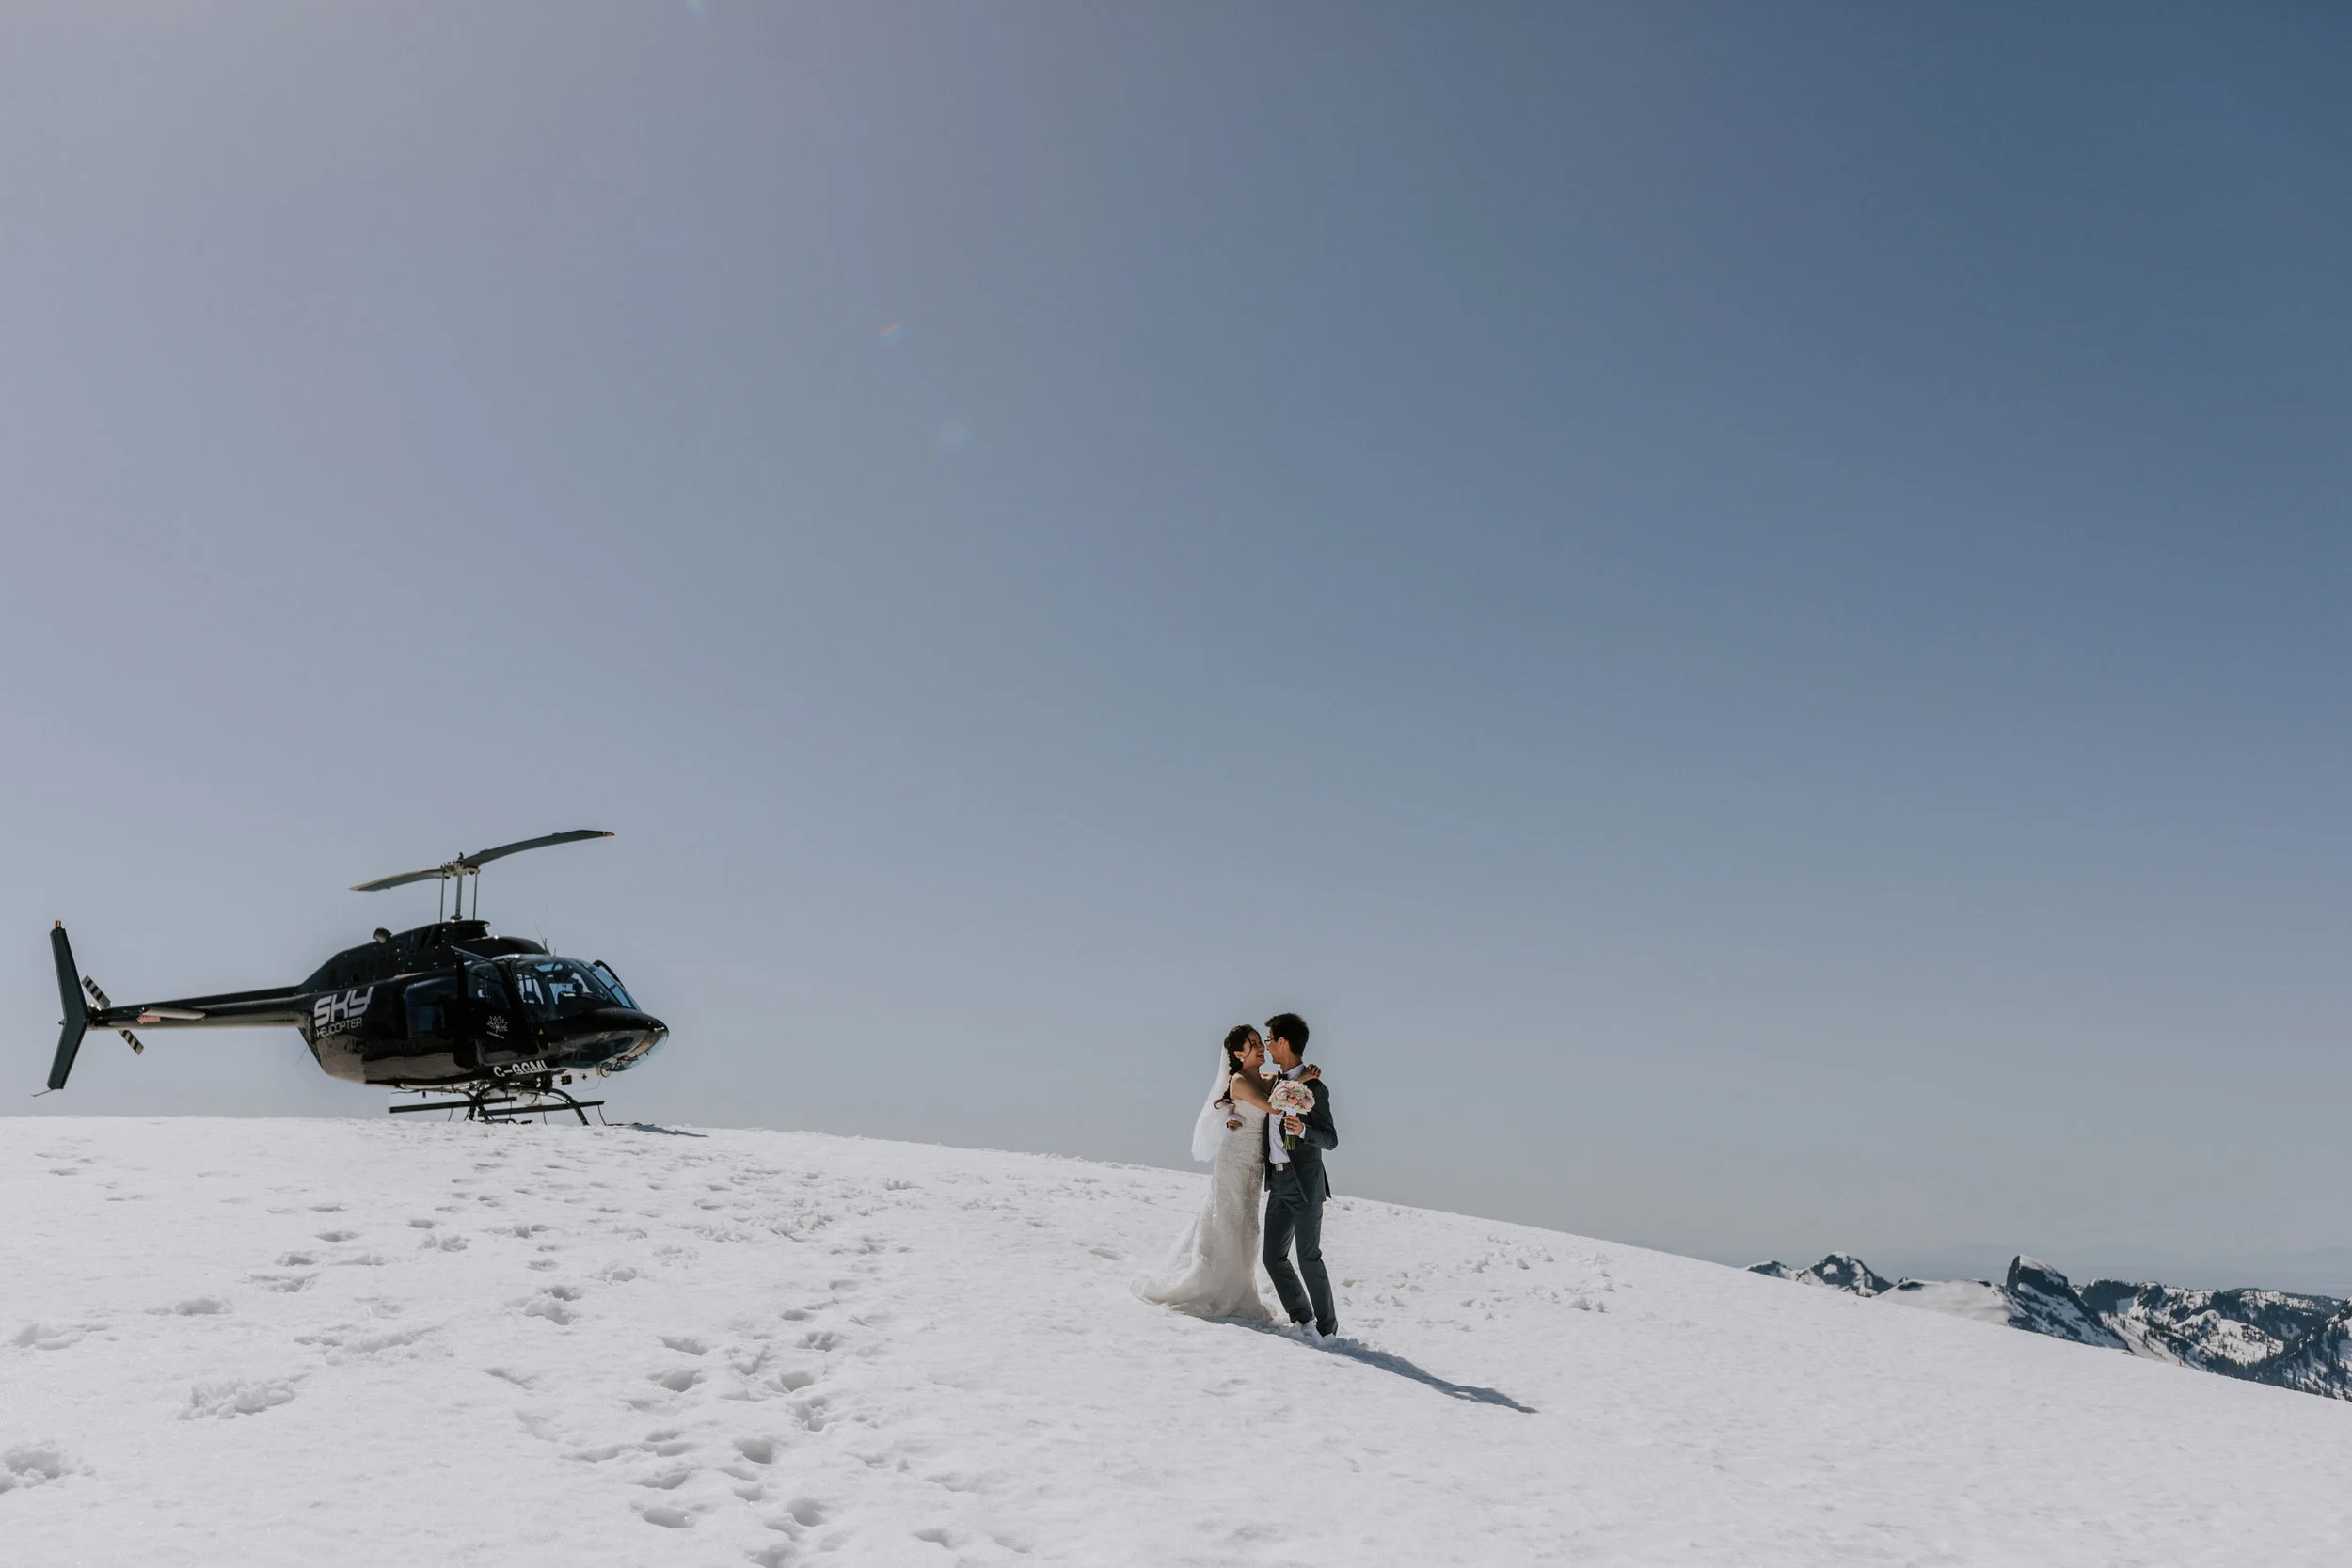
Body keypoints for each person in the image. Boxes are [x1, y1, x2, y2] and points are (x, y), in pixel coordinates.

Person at [1132, 1026, 1280, 1321]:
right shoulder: (1239, 1081)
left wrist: (1297, 1082)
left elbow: (1279, 1088)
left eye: (1259, 1042)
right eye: (1252, 1044)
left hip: (1255, 1164)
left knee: (1248, 1227)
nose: (1260, 1047)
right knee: (1228, 1221)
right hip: (1233, 1161)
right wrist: (1299, 1086)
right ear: (1238, 1054)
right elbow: (1272, 1107)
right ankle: (1212, 1284)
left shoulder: (1267, 1078)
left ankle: (1241, 1288)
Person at [1260, 1012, 1338, 1338]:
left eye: (1269, 1039)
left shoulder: (1315, 1087)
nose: (1267, 1045)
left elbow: (1330, 1139)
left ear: (1283, 1041)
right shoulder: (1273, 1082)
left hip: (1304, 1183)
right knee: (1272, 1257)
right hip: (1277, 1182)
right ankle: (1303, 1318)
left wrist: (1303, 1130)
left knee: (1308, 1256)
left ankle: (1327, 1331)